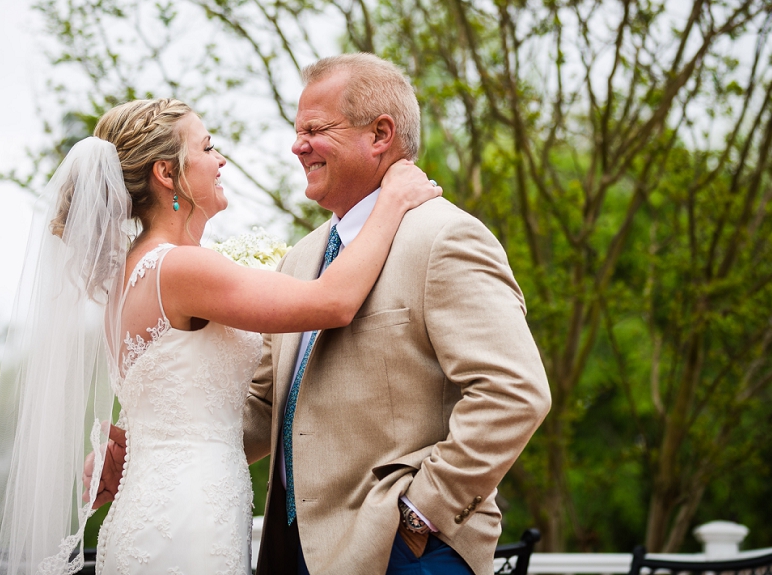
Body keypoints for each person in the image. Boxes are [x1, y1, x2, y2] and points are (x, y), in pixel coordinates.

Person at [96, 54, 552, 575]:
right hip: (289, 553)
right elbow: (266, 405)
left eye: (314, 129)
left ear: (381, 134)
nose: (296, 145)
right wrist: (150, 444)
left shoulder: (445, 238)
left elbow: (514, 392)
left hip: (403, 553)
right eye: (297, 130)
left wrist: (424, 512)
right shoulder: (301, 257)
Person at [0, 97, 440, 575]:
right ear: (167, 173)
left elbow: (179, 404)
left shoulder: (129, 273)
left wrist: (129, 445)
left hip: (159, 499)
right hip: (188, 514)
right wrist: (393, 200)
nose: (221, 161)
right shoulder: (180, 266)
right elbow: (333, 303)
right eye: (208, 147)